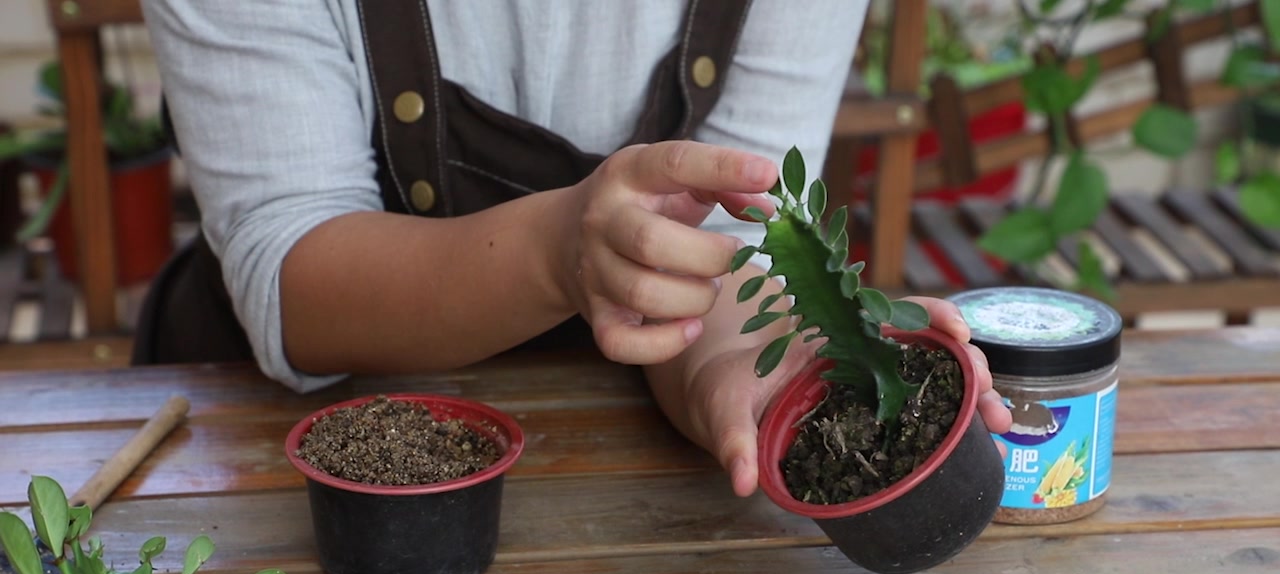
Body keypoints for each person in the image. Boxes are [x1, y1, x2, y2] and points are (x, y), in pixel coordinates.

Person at [137, 0, 1012, 497]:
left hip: (629, 475)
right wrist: (560, 253)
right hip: (299, 458)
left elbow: (744, 231)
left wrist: (753, 361)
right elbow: (290, 264)